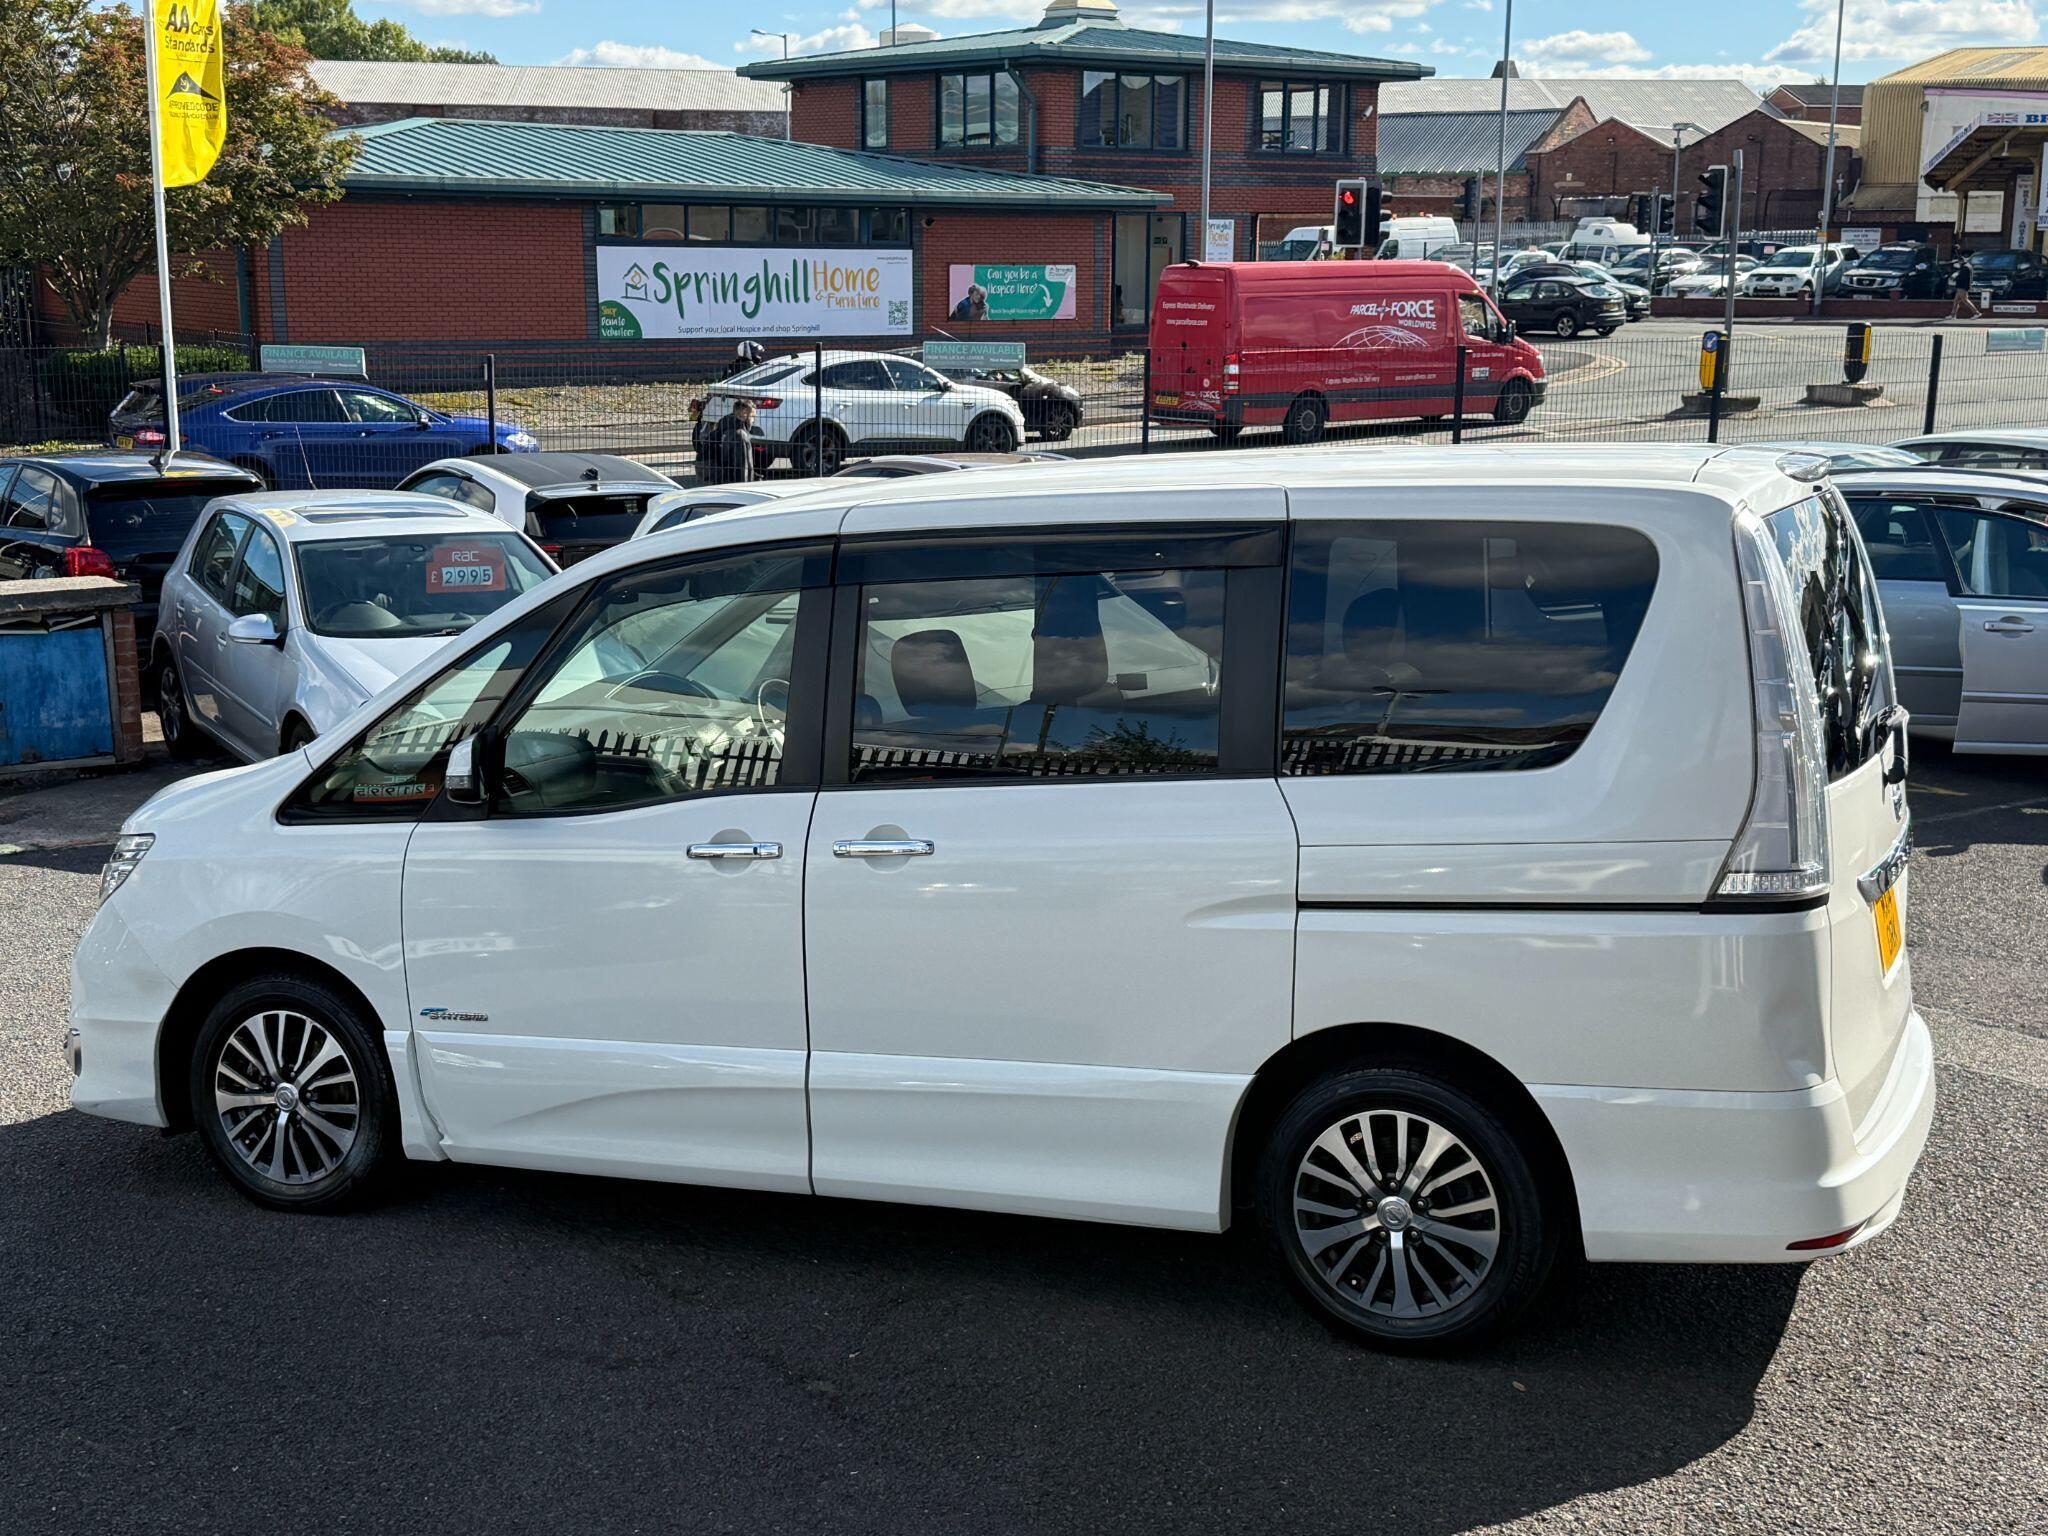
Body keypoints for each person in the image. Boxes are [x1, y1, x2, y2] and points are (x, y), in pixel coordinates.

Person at [697, 398, 758, 485]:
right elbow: (742, 468)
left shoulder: (720, 430)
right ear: (744, 413)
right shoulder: (740, 435)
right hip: (732, 486)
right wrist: (746, 487)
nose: (753, 421)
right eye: (752, 417)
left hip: (713, 480)